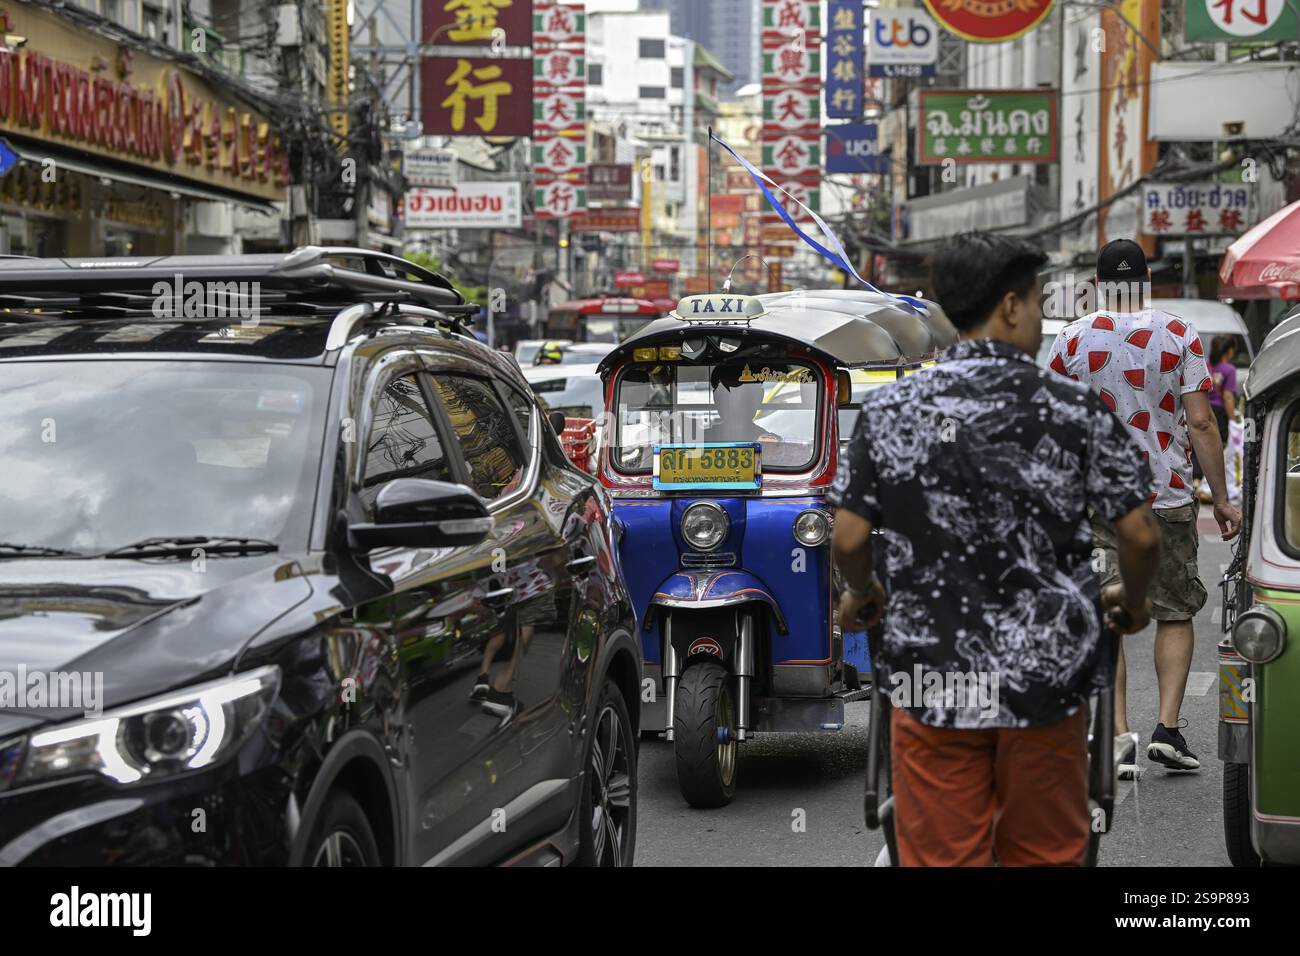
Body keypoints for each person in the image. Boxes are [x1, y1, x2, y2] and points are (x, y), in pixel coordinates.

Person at [831, 232, 1161, 866]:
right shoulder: (1073, 409)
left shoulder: (892, 408)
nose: (1040, 319)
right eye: (1038, 303)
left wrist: (863, 592)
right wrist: (1132, 599)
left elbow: (849, 538)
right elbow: (1141, 534)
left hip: (934, 680)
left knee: (945, 856)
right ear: (1010, 307)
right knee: (1043, 853)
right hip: (1045, 684)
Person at [1047, 239, 1242, 774]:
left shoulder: (1070, 339)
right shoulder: (1179, 333)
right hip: (1168, 494)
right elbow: (1202, 423)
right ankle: (1168, 728)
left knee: (1109, 612)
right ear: (1149, 280)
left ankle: (1117, 738)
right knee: (1173, 611)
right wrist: (1221, 499)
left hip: (1096, 501)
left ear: (1098, 283)